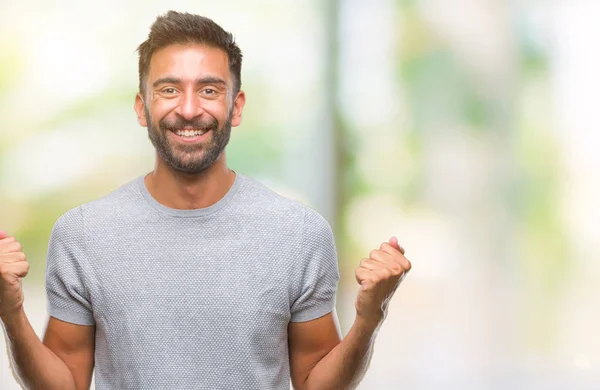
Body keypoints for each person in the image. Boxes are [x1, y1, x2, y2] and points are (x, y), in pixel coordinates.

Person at [0, 11, 412, 390]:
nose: (190, 108)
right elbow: (64, 384)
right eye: (169, 89)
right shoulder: (82, 234)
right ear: (142, 108)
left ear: (236, 106)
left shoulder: (299, 234)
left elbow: (314, 383)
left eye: (210, 89)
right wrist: (11, 312)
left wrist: (369, 318)